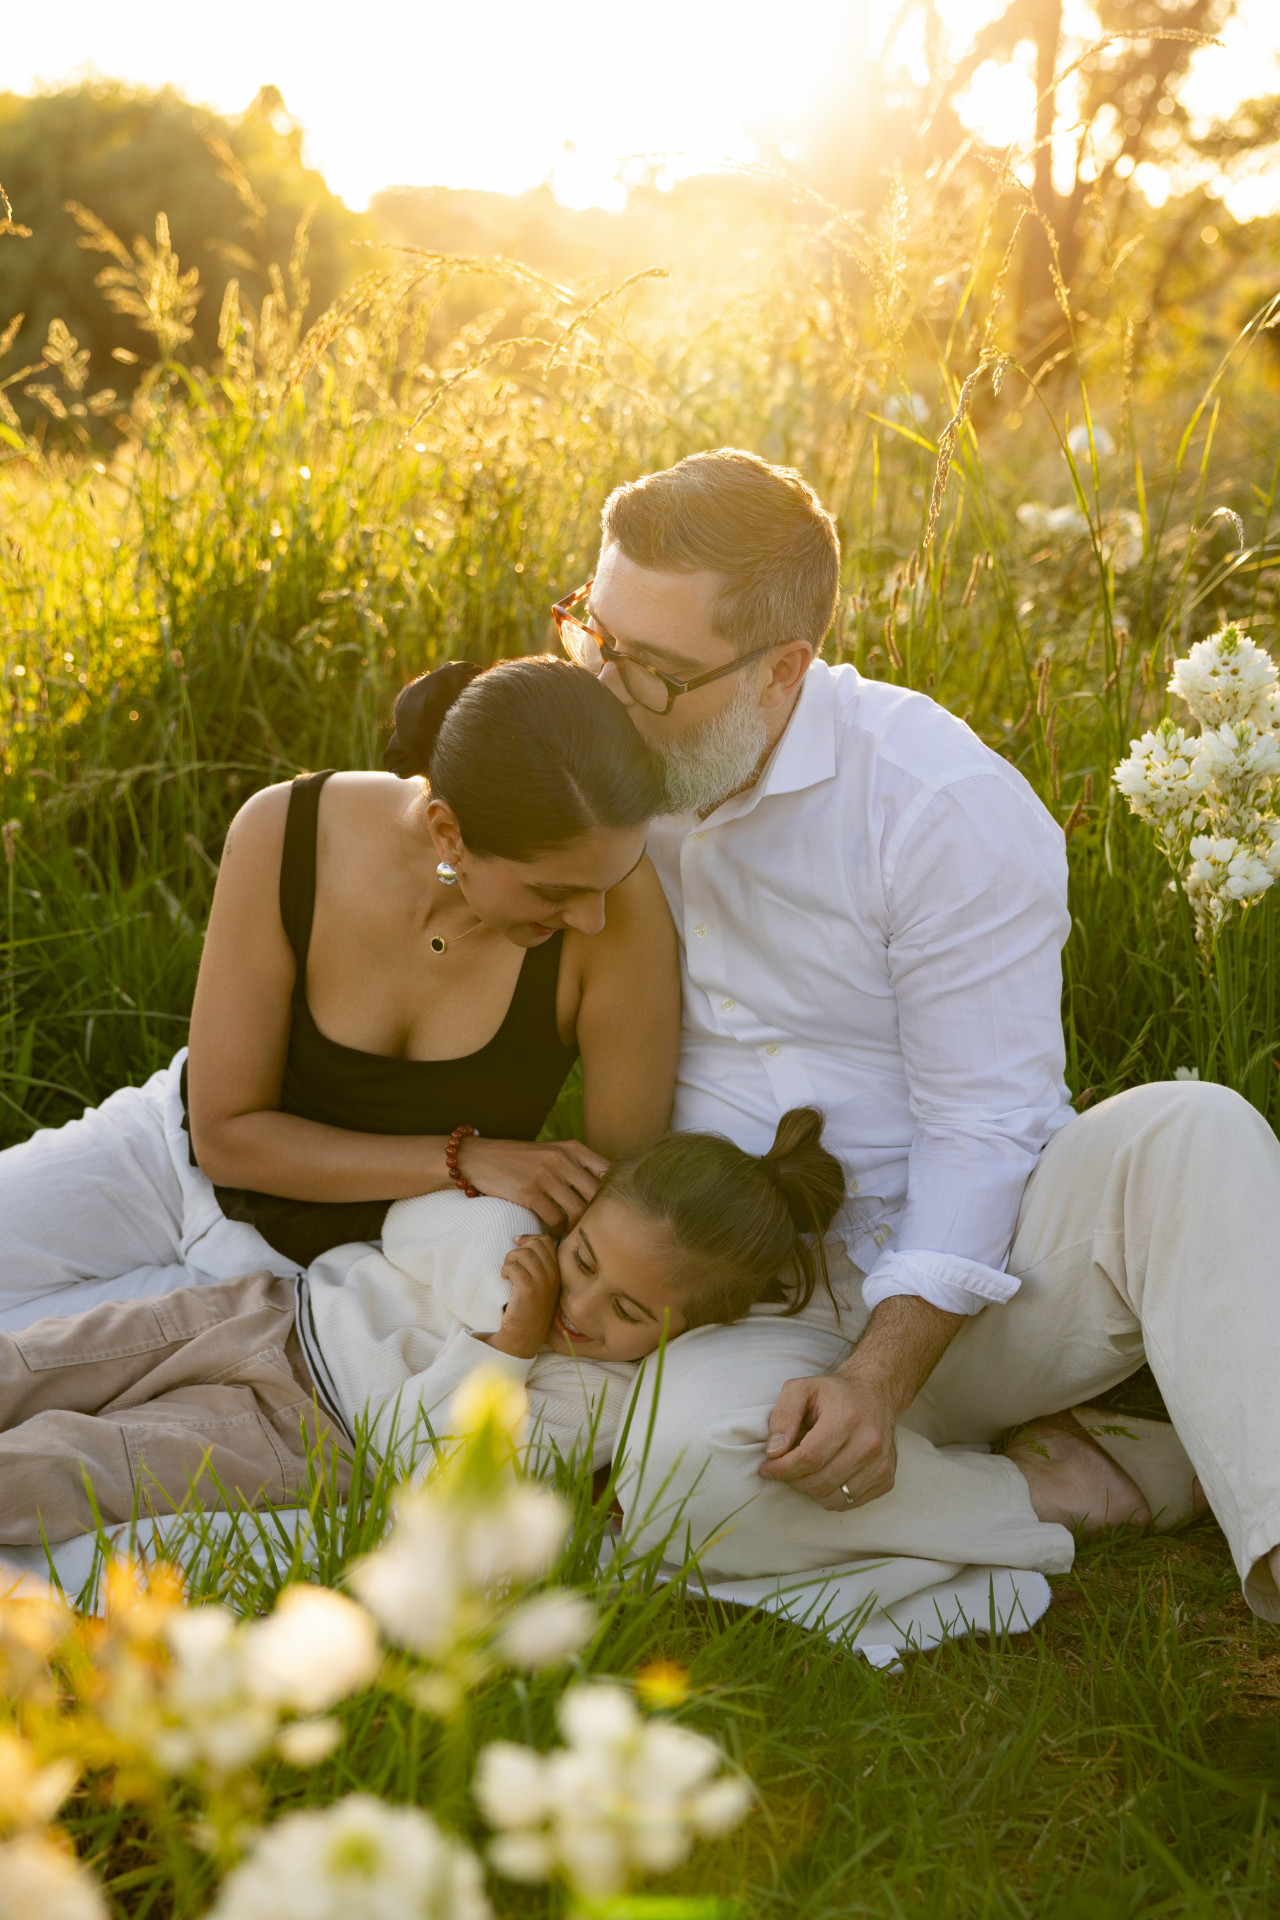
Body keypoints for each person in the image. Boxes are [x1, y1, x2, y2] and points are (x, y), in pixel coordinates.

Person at [554, 446, 1280, 1623]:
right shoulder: (605, 758)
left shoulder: (934, 801)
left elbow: (984, 1124)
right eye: (596, 635)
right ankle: (1086, 1484)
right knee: (671, 1483)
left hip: (983, 1291)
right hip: (730, 1297)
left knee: (1191, 1132)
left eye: (654, 670)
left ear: (781, 670)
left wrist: (878, 1380)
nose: (605, 689)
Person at [0, 655, 679, 1334]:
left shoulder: (622, 920)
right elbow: (225, 1136)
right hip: (169, 1162)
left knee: (46, 1371)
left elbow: (619, 1198)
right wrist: (464, 1158)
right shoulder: (286, 829)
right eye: (555, 892)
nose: (592, 917)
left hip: (362, 1265)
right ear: (449, 833)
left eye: (610, 879)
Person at [0, 1109, 845, 1545]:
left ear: (686, 1332)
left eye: (629, 1313)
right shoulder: (521, 1247)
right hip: (268, 1312)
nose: (578, 1309)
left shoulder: (597, 1402)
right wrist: (505, 1263)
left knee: (88, 1459)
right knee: (40, 1360)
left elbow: (413, 1457)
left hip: (306, 1433)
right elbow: (406, 1226)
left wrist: (505, 1352)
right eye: (585, 1260)